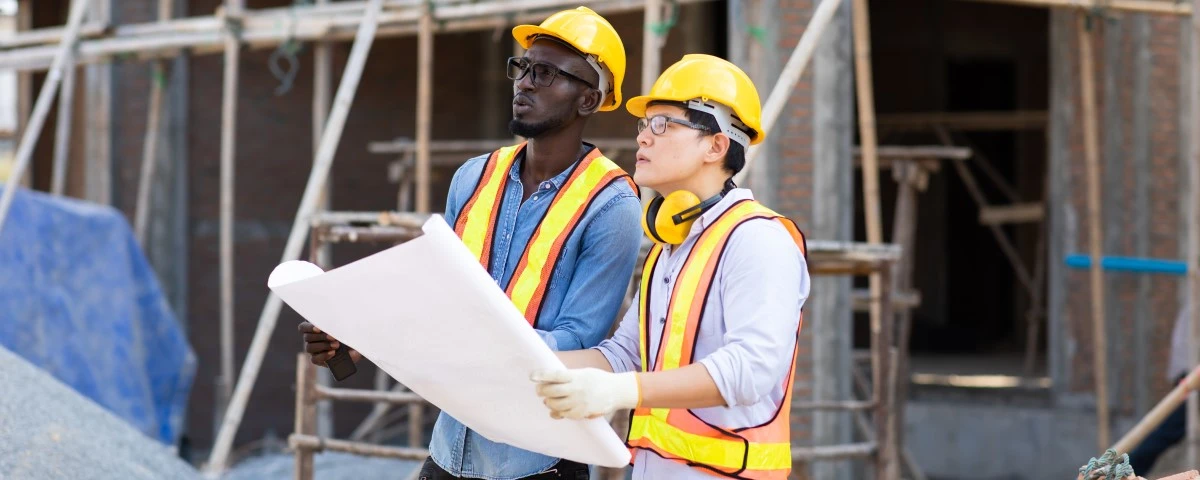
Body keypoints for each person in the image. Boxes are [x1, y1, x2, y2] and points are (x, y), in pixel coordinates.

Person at [299, 7, 643, 479]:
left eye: (545, 73)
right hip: (449, 449)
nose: (524, 82)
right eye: (522, 67)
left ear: (588, 99)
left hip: (537, 462)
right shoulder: (475, 177)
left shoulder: (613, 206)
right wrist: (361, 335)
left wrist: (445, 343)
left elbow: (576, 343)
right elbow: (440, 296)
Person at [530, 54, 811, 479]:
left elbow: (751, 367)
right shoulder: (671, 247)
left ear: (717, 145)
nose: (644, 138)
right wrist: (528, 360)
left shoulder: (757, 239)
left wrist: (620, 391)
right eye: (644, 125)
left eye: (663, 124)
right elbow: (624, 355)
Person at [1128, 302, 1194, 475]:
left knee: (1168, 432)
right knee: (1167, 432)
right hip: (1191, 374)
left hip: (1190, 372)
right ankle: (1126, 472)